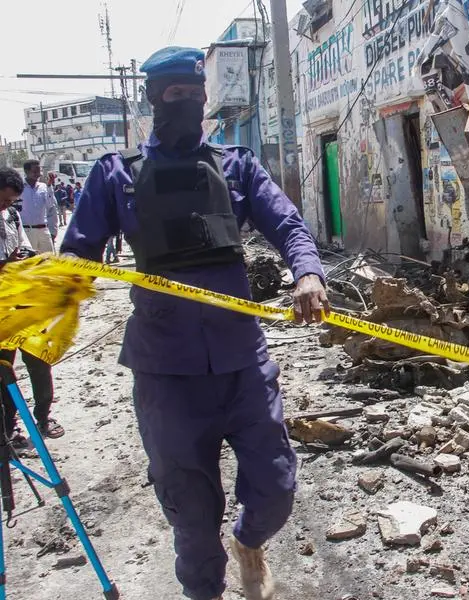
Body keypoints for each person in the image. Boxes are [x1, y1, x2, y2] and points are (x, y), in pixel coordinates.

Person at [61, 46, 328, 600]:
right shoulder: (116, 175)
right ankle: (204, 591)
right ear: (154, 100)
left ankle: (250, 542)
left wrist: (307, 273)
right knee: (190, 510)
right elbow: (74, 259)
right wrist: (29, 318)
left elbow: (289, 225)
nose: (184, 102)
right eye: (172, 94)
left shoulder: (237, 165)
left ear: (205, 100)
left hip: (242, 361)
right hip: (166, 372)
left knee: (277, 485)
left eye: (192, 93)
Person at [0, 167, 65, 446]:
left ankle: (43, 416)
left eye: (9, 201)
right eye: (3, 200)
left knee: (38, 359)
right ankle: (9, 426)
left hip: (23, 300)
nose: (5, 205)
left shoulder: (12, 217)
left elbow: (25, 250)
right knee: (4, 368)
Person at [19, 161, 55, 254]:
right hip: (27, 231)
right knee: (31, 262)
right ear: (26, 172)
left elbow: (50, 205)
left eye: (39, 171)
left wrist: (50, 185)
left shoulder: (43, 186)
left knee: (49, 260)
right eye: (35, 171)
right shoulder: (19, 187)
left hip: (44, 231)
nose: (38, 174)